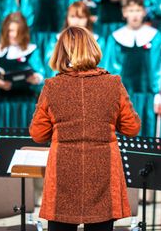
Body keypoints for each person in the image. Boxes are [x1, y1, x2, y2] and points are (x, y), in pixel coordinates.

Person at [29, 25, 141, 231]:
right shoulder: (113, 83)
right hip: (104, 171)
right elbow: (132, 127)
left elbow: (38, 134)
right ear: (92, 48)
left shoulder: (52, 87)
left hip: (63, 172)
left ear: (60, 53)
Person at [104, 0, 161, 138]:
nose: (135, 15)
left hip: (148, 96)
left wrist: (160, 95)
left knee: (147, 136)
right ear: (124, 12)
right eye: (131, 10)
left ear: (144, 12)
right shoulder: (115, 38)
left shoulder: (155, 36)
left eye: (138, 10)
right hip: (123, 98)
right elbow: (109, 68)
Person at [0, 12, 45, 129]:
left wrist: (36, 79)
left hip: (26, 107)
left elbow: (42, 76)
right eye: (11, 30)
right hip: (1, 107)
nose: (14, 35)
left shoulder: (32, 51)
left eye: (18, 31)